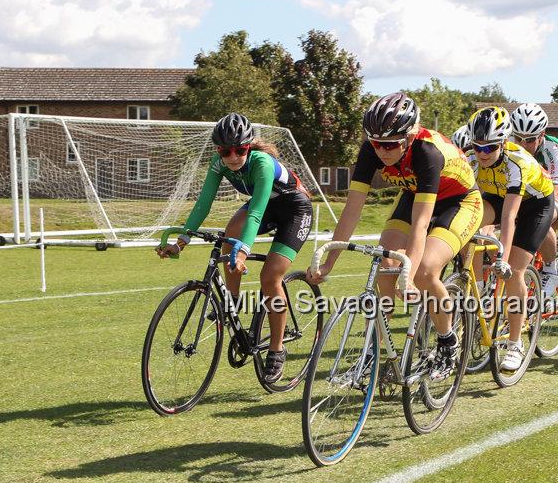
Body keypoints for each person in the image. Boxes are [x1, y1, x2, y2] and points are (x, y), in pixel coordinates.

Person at [306, 93, 483, 380]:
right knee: (383, 265)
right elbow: (352, 211)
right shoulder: (370, 150)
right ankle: (374, 354)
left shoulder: (428, 152)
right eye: (376, 143)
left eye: (390, 144)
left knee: (425, 271)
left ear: (410, 137)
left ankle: (447, 341)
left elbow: (421, 223)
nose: (382, 151)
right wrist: (329, 262)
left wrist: (410, 276)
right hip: (414, 196)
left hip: (459, 202)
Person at [156, 113, 313, 383]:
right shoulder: (218, 164)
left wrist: (243, 251)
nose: (233, 157)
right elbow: (202, 205)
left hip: (294, 210)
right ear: (218, 150)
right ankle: (233, 300)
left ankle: (276, 349)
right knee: (231, 232)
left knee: (269, 277)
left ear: (249, 146)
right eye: (225, 151)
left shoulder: (262, 163)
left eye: (240, 150)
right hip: (263, 208)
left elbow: (256, 212)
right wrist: (181, 242)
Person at [467, 106, 556, 373]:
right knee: (467, 228)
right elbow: (466, 204)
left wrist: (502, 260)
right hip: (495, 196)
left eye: (490, 148)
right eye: (477, 147)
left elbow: (509, 217)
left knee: (513, 272)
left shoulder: (518, 163)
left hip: (534, 205)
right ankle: (481, 288)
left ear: (504, 142)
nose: (482, 153)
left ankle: (515, 343)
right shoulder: (471, 160)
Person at [509, 102, 558, 294]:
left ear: (542, 135)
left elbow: (550, 197)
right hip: (540, 187)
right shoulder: (510, 146)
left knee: (545, 216)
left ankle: (552, 270)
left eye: (530, 140)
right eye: (518, 138)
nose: (523, 145)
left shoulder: (554, 150)